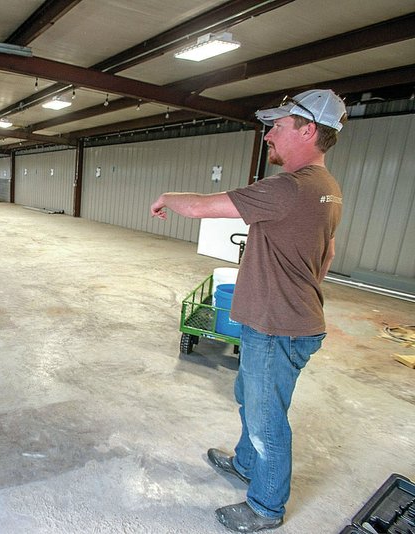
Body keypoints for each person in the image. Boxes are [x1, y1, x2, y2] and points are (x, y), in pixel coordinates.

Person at [150, 89, 347, 532]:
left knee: (266, 422)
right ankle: (244, 463)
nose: (268, 137)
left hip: (278, 328)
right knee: (251, 401)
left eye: (277, 127)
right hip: (286, 320)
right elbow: (327, 253)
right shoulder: (327, 190)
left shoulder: (289, 187)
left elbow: (203, 206)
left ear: (308, 130)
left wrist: (165, 195)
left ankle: (265, 507)